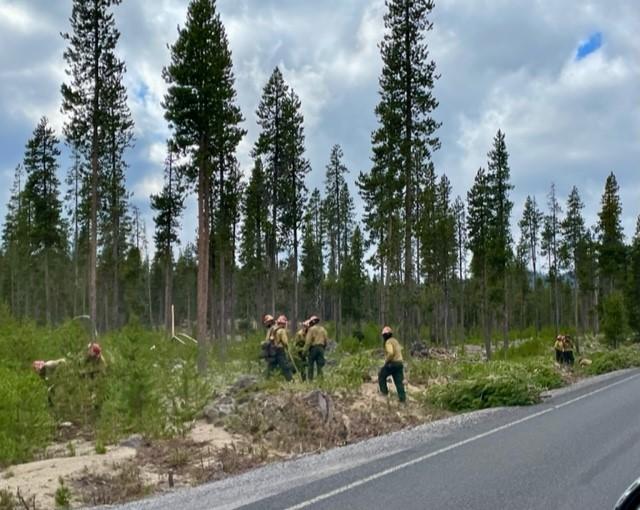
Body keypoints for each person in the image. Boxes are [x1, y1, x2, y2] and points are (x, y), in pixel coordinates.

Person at [378, 326, 406, 403]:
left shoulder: (388, 342)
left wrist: (386, 361)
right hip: (400, 363)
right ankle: (402, 399)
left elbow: (390, 353)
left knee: (381, 375)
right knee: (399, 382)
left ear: (384, 335)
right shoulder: (395, 341)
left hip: (392, 363)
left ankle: (384, 393)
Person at [304, 315, 328, 380]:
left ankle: (310, 380)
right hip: (321, 348)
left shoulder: (311, 329)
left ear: (311, 322)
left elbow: (308, 341)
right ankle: (320, 380)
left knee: (310, 365)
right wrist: (323, 348)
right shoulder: (323, 329)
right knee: (320, 365)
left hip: (313, 348)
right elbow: (326, 340)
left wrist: (305, 351)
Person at [270, 315, 293, 381]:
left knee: (272, 366)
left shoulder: (274, 330)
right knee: (285, 366)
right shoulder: (282, 331)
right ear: (284, 323)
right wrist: (288, 347)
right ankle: (290, 379)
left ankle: (267, 378)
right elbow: (285, 342)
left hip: (274, 350)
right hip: (280, 350)